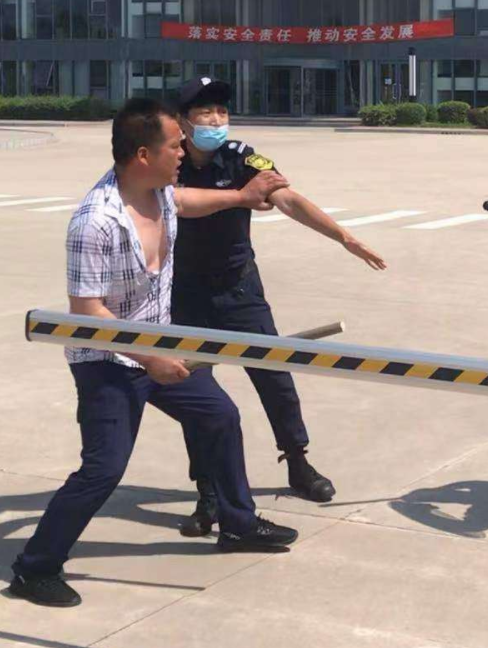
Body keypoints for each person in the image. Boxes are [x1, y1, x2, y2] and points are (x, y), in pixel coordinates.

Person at [8, 98, 298, 608]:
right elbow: (87, 313)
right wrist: (149, 359)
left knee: (220, 417)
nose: (184, 151)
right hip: (107, 362)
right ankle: (34, 568)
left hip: (159, 346)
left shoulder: (159, 191)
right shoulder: (95, 221)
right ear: (143, 154)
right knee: (103, 468)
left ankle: (237, 523)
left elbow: (186, 201)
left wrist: (241, 196)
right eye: (174, 145)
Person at [172, 77, 387, 537]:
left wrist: (343, 237)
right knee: (197, 393)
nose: (216, 120)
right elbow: (174, 205)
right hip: (184, 292)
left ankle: (297, 462)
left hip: (238, 288)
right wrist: (239, 198)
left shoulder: (242, 157)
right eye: (205, 112)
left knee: (274, 375)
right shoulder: (168, 161)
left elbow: (287, 199)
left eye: (222, 112)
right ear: (182, 122)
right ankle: (208, 490)